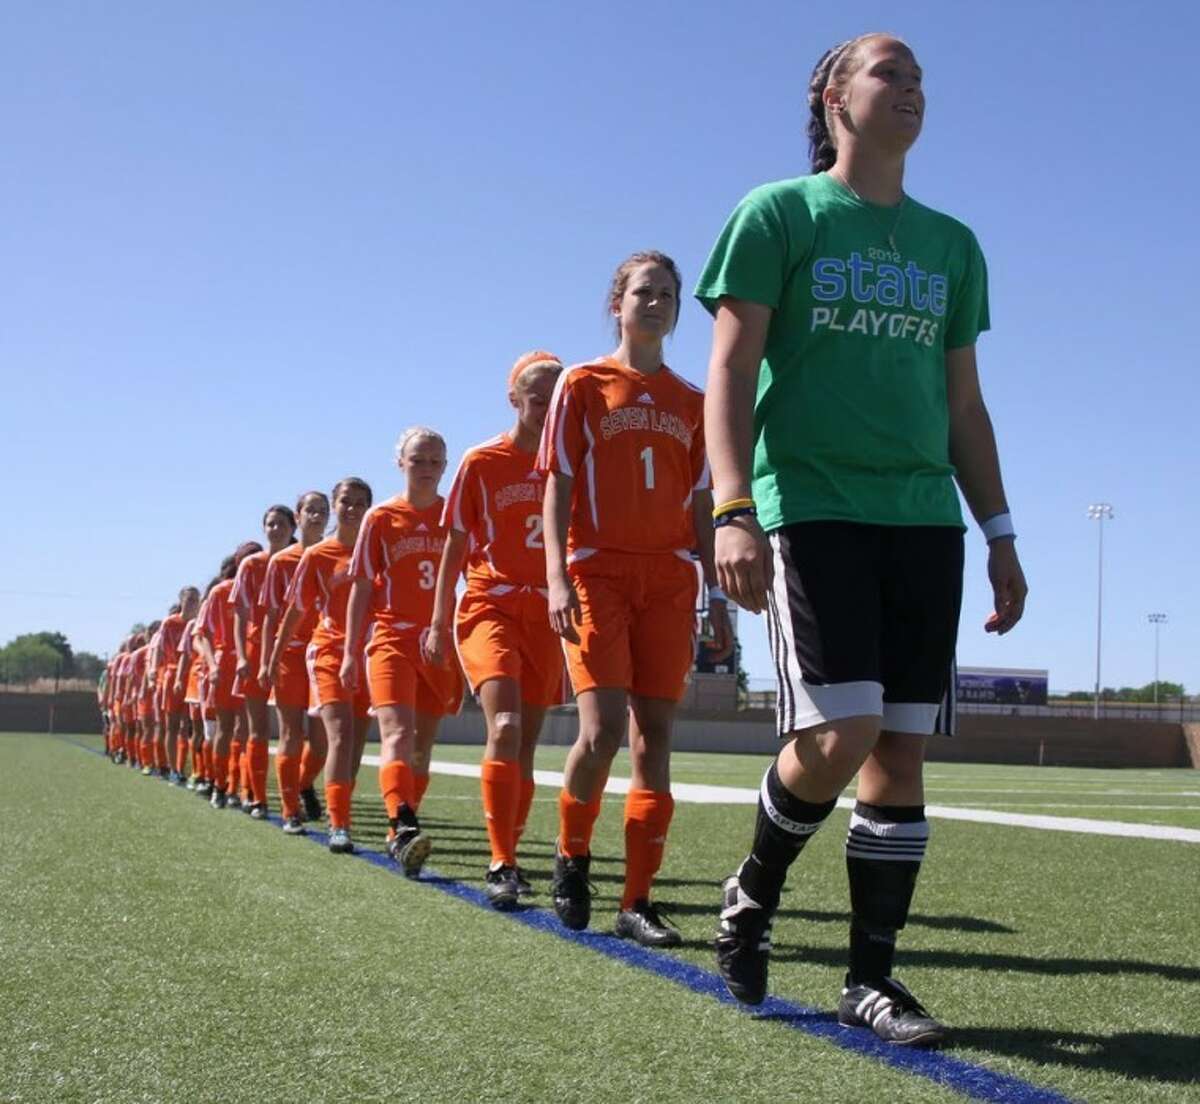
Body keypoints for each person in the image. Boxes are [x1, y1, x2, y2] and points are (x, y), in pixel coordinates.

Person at [695, 34, 1028, 1044]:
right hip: (814, 509)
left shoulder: (951, 245)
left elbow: (964, 405)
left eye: (922, 76)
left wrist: (1001, 534)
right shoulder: (778, 214)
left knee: (900, 751)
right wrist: (731, 508)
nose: (913, 88)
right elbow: (728, 371)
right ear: (835, 97)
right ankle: (752, 891)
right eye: (891, 72)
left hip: (924, 521)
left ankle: (871, 980)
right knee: (836, 737)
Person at [538, 251, 732, 946]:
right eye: (643, 291)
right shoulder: (583, 383)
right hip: (598, 572)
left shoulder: (693, 402)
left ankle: (638, 900)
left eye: (668, 295)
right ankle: (572, 855)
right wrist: (557, 575)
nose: (655, 303)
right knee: (602, 732)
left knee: (657, 742)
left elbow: (702, 501)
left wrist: (716, 595)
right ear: (616, 302)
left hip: (670, 578)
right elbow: (557, 479)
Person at [425, 352, 565, 908]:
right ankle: (501, 861)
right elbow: (454, 545)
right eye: (538, 399)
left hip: (547, 617)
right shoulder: (482, 461)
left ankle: (513, 852)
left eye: (557, 400)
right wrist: (438, 620)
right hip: (490, 607)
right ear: (514, 400)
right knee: (503, 725)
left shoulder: (570, 462)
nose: (547, 409)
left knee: (525, 743)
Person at [342, 429, 463, 876]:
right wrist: (352, 652)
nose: (427, 466)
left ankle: (401, 831)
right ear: (401, 463)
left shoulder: (455, 515)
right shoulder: (381, 517)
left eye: (435, 460)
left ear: (445, 466)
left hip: (437, 643)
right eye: (418, 459)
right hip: (392, 638)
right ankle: (405, 823)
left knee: (422, 749)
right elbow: (360, 587)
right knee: (398, 735)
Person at [270, 478, 373, 854]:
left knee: (357, 746)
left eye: (360, 503)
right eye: (346, 501)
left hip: (369, 652)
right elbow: (296, 610)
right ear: (336, 504)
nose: (352, 508)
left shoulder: (376, 548)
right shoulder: (318, 556)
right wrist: (275, 655)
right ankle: (335, 824)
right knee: (337, 736)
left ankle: (324, 799)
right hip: (329, 651)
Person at [259, 491, 331, 834]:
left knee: (321, 741)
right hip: (289, 654)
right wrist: (266, 660)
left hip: (325, 652)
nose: (316, 516)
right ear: (298, 518)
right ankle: (289, 811)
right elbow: (272, 617)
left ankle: (304, 784)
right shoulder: (282, 562)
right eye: (309, 510)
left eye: (322, 511)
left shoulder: (335, 554)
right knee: (290, 732)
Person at [231, 505, 297, 819]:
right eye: (270, 524)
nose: (275, 529)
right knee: (257, 728)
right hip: (258, 648)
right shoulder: (251, 565)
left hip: (293, 650)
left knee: (296, 730)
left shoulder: (301, 558)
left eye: (281, 524)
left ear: (291, 526)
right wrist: (243, 656)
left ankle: (300, 792)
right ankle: (256, 796)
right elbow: (240, 615)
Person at [197, 545, 261, 808]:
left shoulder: (265, 586)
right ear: (238, 562)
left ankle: (242, 789)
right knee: (224, 728)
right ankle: (219, 785)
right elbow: (203, 633)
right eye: (247, 559)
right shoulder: (221, 591)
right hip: (227, 663)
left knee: (246, 730)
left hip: (254, 659)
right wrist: (212, 665)